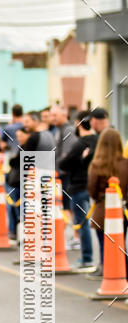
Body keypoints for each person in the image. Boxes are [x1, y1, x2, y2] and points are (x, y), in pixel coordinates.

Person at [58, 111, 98, 272]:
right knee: (90, 223)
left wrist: (72, 158)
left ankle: (87, 258)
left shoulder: (79, 143)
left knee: (82, 223)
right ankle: (92, 259)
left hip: (78, 186)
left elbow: (63, 164)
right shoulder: (97, 140)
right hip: (93, 186)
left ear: (79, 124)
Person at [87, 128, 128, 277]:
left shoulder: (96, 165)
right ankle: (121, 269)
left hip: (101, 208)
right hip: (121, 209)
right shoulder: (126, 164)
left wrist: (98, 197)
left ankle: (105, 268)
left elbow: (91, 188)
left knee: (103, 242)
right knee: (119, 242)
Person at [50, 105, 79, 248]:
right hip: (62, 174)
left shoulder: (68, 130)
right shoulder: (60, 130)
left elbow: (66, 154)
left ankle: (77, 237)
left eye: (55, 115)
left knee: (70, 207)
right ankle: (75, 237)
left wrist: (58, 168)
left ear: (64, 115)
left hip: (66, 175)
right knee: (67, 206)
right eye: (52, 115)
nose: (52, 118)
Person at [1, 104, 24, 240]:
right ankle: (22, 228)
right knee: (23, 200)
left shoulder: (9, 128)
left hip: (11, 167)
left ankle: (13, 230)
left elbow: (2, 145)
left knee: (11, 198)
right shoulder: (25, 127)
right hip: (24, 165)